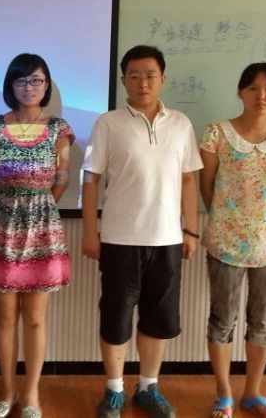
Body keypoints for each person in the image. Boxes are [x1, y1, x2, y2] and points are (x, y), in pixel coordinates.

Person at [84, 45, 203, 418]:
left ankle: (149, 386)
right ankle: (115, 389)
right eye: (134, 76)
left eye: (150, 75)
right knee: (116, 318)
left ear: (163, 78)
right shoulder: (108, 123)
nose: (142, 83)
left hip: (167, 239)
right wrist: (89, 231)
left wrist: (192, 230)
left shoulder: (181, 124)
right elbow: (90, 180)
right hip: (119, 239)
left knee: (158, 318)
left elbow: (189, 180)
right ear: (123, 81)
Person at [199, 62, 266, 418]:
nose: (262, 95)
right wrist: (231, 219)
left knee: (262, 321)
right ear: (240, 92)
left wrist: (260, 220)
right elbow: (207, 188)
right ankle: (225, 394)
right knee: (222, 320)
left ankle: (253, 393)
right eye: (254, 88)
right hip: (225, 242)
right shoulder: (216, 133)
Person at [0, 53, 73, 418]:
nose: (29, 87)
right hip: (1, 227)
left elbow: (62, 179)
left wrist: (37, 203)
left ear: (46, 86)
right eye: (22, 80)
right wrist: (12, 200)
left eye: (36, 80)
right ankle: (7, 390)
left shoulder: (60, 129)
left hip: (42, 228)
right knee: (4, 318)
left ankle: (31, 394)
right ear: (10, 85)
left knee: (35, 318)